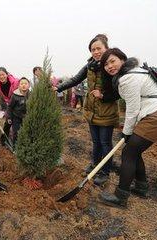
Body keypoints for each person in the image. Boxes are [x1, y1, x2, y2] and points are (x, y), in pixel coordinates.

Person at [98, 48, 157, 208]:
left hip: (156, 117)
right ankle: (141, 187)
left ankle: (121, 197)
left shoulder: (128, 78)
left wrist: (126, 133)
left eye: (112, 61)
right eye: (106, 65)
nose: (109, 66)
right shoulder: (135, 71)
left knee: (128, 152)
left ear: (122, 59)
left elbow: (132, 109)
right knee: (134, 150)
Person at [54, 34, 119, 186]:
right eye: (93, 49)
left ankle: (104, 172)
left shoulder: (111, 66)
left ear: (106, 48)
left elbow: (119, 91)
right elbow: (76, 79)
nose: (96, 52)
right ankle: (95, 164)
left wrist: (103, 95)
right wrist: (58, 87)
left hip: (106, 111)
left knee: (105, 143)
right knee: (96, 142)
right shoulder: (90, 65)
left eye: (99, 48)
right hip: (91, 110)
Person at [7, 77, 31, 147]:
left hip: (27, 117)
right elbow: (10, 107)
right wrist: (9, 117)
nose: (23, 85)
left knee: (27, 132)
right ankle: (16, 147)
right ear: (18, 86)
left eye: (25, 83)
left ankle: (26, 146)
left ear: (29, 85)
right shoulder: (15, 96)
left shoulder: (31, 95)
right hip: (16, 117)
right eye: (21, 84)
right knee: (16, 133)